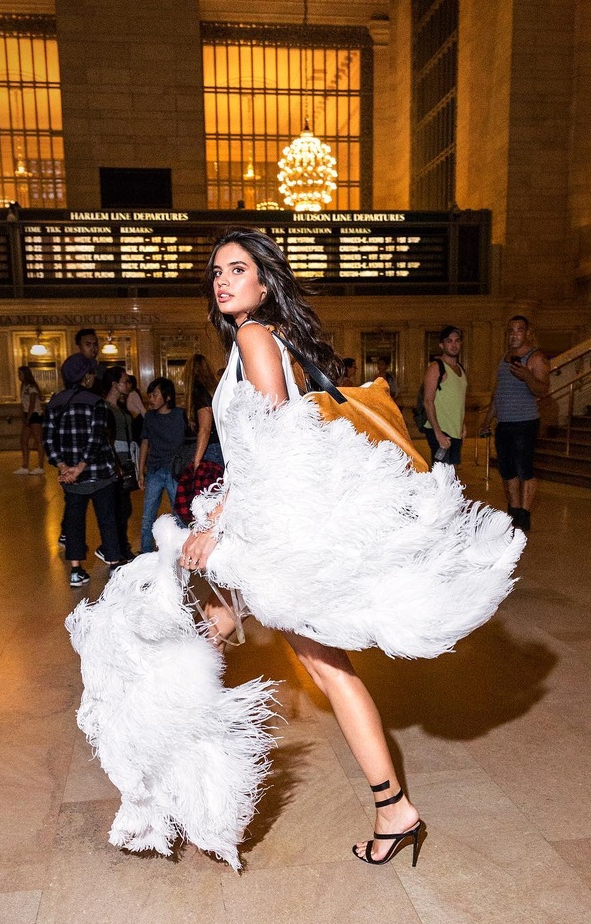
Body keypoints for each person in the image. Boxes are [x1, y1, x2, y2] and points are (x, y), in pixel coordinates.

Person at [66, 228, 525, 870]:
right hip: (267, 529)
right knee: (230, 636)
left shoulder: (256, 337)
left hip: (269, 534)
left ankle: (387, 808)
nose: (223, 280)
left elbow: (276, 448)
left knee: (316, 667)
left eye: (237, 269)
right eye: (217, 272)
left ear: (263, 280)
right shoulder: (262, 339)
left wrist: (217, 524)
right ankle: (179, 782)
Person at [44, 354, 123, 586]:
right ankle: (114, 565)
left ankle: (76, 571)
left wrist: (64, 467)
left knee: (74, 522)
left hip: (71, 479)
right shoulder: (96, 402)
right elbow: (97, 438)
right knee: (107, 518)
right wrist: (81, 467)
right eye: (90, 373)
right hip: (99, 473)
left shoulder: (54, 403)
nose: (92, 377)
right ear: (85, 377)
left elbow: (48, 440)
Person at [480, 315, 550, 532]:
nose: (514, 334)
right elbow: (498, 393)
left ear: (527, 332)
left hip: (525, 422)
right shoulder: (504, 358)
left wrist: (528, 376)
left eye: (519, 330)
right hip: (504, 423)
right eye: (510, 330)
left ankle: (525, 514)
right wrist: (486, 420)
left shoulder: (536, 358)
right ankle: (514, 510)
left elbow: (543, 390)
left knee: (524, 469)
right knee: (507, 470)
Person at [137, 376, 186, 553]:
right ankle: (146, 551)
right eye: (150, 395)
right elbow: (145, 442)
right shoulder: (149, 417)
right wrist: (140, 470)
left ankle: (182, 549)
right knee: (148, 514)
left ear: (167, 397)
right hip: (155, 469)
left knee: (179, 513)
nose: (151, 399)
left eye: (155, 395)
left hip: (174, 470)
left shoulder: (180, 415)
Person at [101, 366, 138, 561]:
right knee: (119, 507)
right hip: (115, 461)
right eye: (125, 381)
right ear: (114, 384)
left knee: (124, 507)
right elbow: (107, 438)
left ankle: (120, 546)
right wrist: (115, 463)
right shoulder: (105, 407)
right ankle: (116, 547)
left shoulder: (120, 407)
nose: (128, 385)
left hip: (126, 459)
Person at [422, 325, 467, 467]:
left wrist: (462, 423)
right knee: (441, 476)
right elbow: (428, 401)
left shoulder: (460, 368)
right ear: (441, 345)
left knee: (451, 473)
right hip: (440, 430)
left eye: (457, 341)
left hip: (455, 430)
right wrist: (438, 433)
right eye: (449, 341)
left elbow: (458, 400)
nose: (454, 345)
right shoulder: (436, 367)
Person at [183, 354, 223, 470]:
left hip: (209, 449)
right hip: (219, 446)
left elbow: (205, 429)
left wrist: (196, 461)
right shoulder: (214, 391)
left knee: (205, 486)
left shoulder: (199, 393)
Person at [14, 366, 45, 475]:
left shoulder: (31, 387)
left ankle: (40, 466)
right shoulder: (24, 386)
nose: (18, 376)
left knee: (38, 440)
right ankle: (25, 465)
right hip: (28, 414)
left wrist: (28, 417)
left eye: (20, 374)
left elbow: (32, 403)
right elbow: (24, 404)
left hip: (35, 414)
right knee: (23, 440)